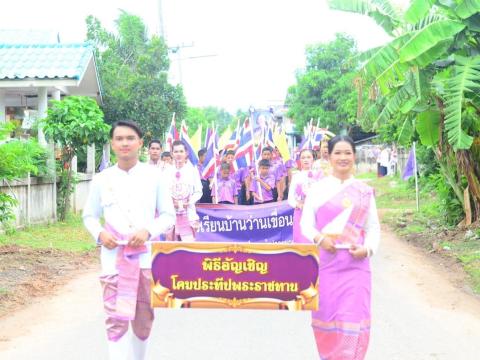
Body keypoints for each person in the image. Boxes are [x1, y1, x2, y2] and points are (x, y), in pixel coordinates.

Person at [83, 120, 175, 360]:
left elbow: (168, 215)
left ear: (140, 143)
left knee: (143, 318)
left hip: (145, 259)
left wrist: (147, 231)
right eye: (120, 138)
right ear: (112, 144)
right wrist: (101, 234)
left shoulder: (155, 177)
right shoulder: (101, 179)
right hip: (113, 261)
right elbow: (89, 216)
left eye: (130, 138)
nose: (125, 143)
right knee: (116, 318)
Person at [301, 135, 380, 360]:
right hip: (325, 267)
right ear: (329, 156)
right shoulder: (318, 190)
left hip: (356, 268)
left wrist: (368, 249)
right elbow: (306, 224)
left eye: (348, 153)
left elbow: (373, 228)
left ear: (354, 157)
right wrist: (319, 239)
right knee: (326, 320)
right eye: (338, 153)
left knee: (353, 320)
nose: (343, 157)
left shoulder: (364, 191)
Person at [166, 140, 202, 242]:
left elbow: (199, 191)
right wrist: (171, 202)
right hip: (171, 214)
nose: (178, 154)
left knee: (189, 246)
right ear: (172, 153)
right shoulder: (167, 171)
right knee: (171, 248)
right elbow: (163, 192)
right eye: (176, 151)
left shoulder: (192, 170)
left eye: (181, 151)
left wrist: (188, 202)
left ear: (186, 153)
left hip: (189, 213)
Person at [287, 149, 322, 243]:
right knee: (302, 244)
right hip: (300, 214)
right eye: (303, 158)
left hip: (317, 214)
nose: (306, 160)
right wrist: (299, 205)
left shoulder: (320, 175)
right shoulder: (296, 177)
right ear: (300, 161)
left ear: (313, 159)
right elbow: (290, 198)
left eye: (308, 157)